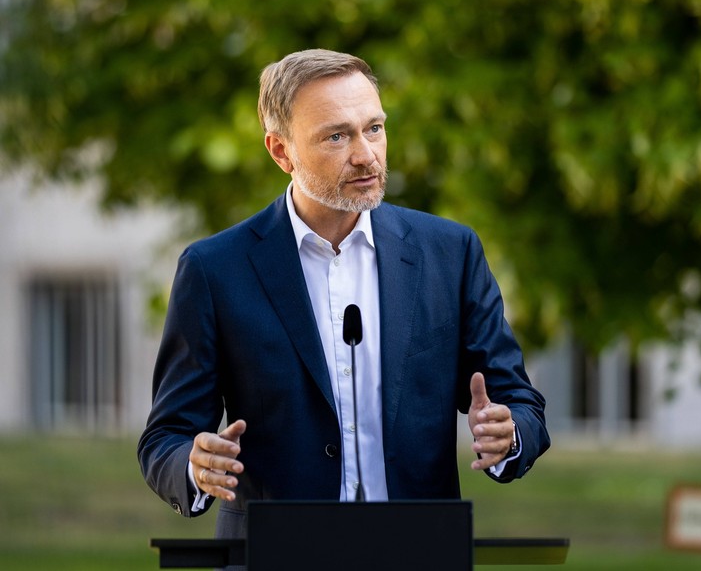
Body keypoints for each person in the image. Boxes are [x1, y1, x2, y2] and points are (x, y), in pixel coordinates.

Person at [137, 49, 550, 541]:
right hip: (275, 554)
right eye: (337, 136)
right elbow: (165, 438)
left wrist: (509, 433)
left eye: (373, 128)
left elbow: (520, 403)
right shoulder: (214, 270)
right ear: (281, 152)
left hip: (418, 551)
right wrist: (195, 465)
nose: (366, 154)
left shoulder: (451, 253)